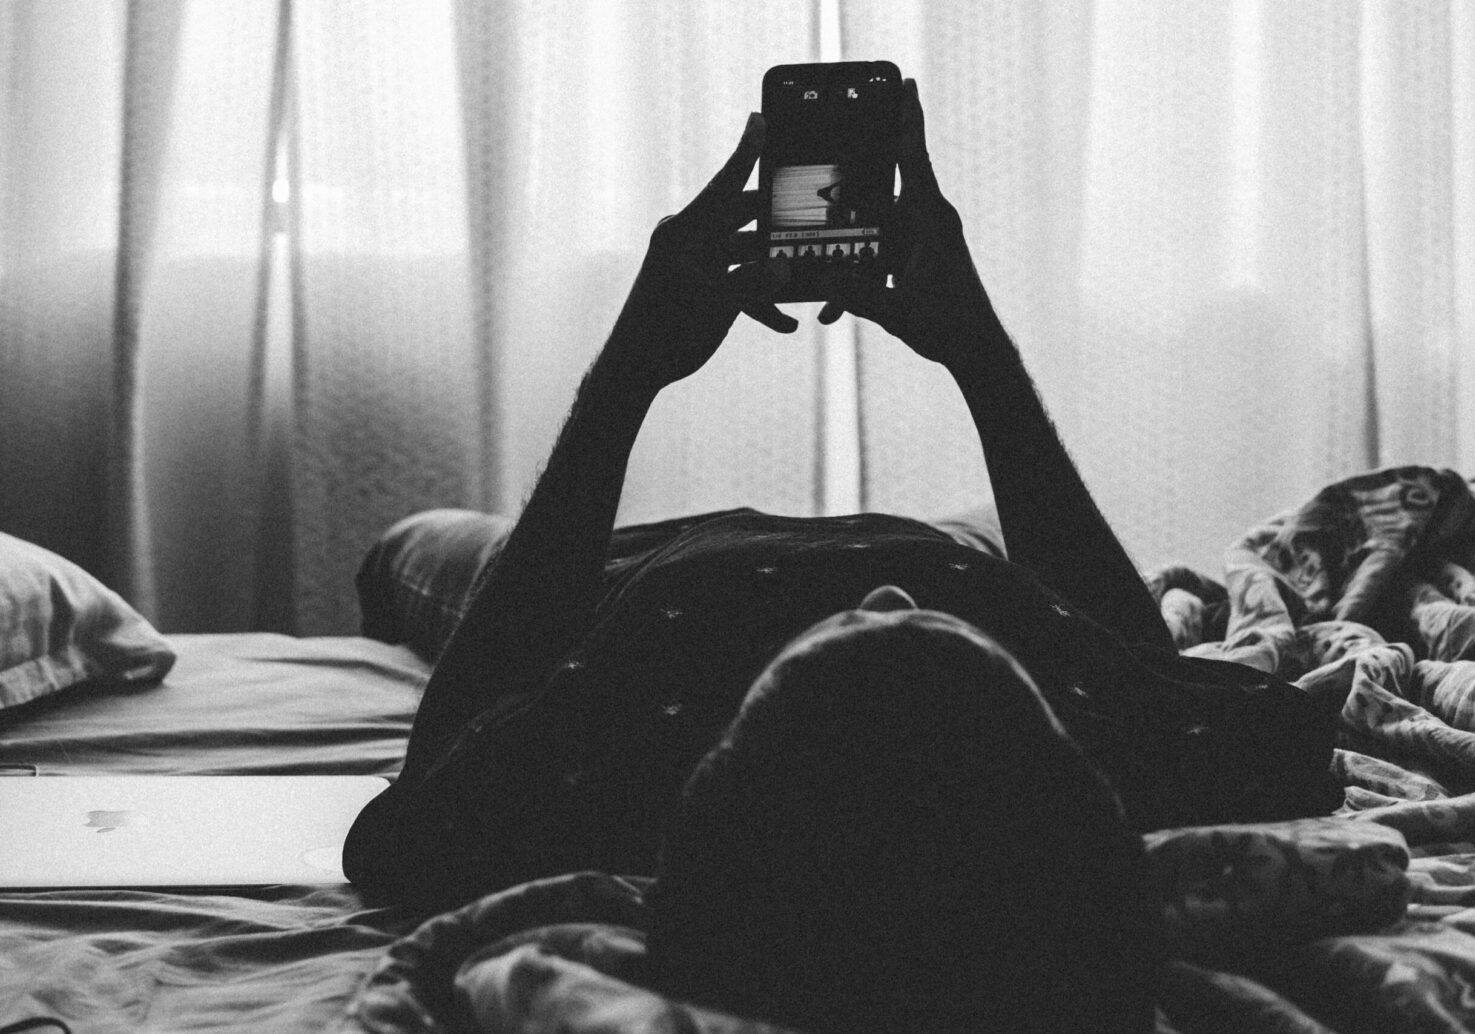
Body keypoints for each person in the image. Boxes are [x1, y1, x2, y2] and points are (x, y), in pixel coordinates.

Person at [344, 81, 1339, 1032]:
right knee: (976, 543)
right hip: (969, 557)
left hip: (632, 576)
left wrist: (628, 372)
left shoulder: (604, 761)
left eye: (851, 628)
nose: (880, 592)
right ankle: (971, 572)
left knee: (411, 547)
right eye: (922, 625)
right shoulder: (1111, 779)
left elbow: (425, 782)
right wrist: (976, 351)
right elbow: (1139, 661)